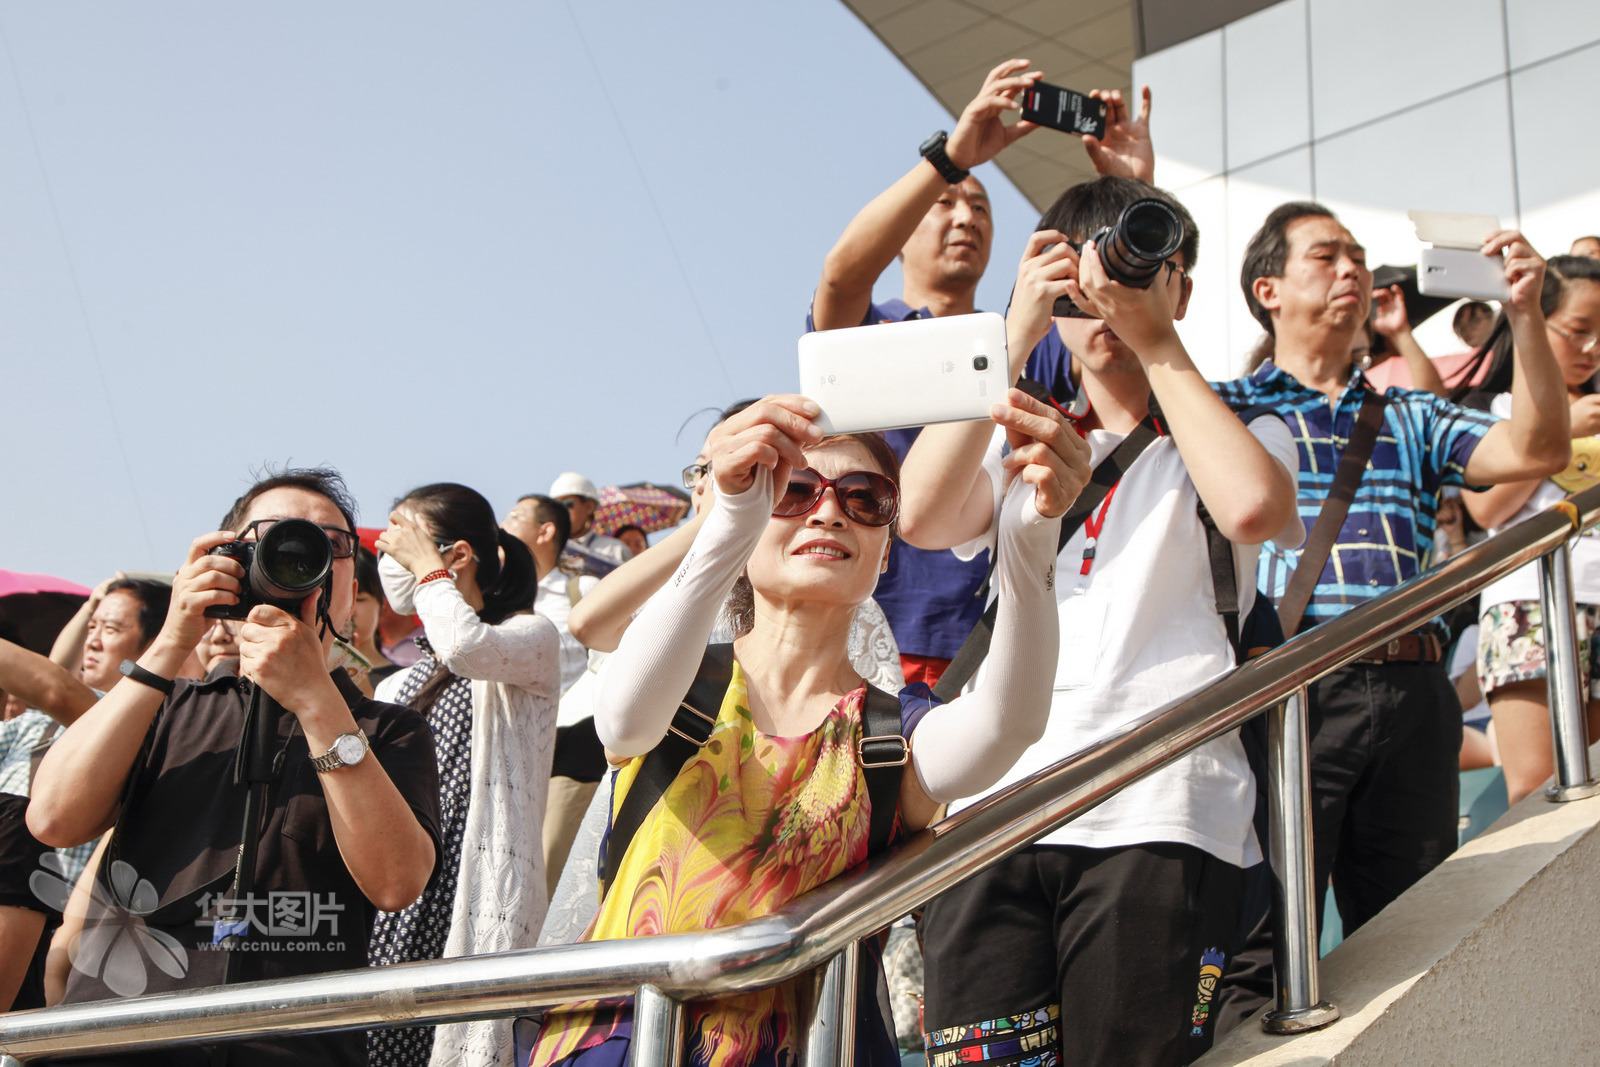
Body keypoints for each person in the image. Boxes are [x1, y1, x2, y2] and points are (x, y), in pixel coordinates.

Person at [527, 394, 1075, 1067]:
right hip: (619, 1045)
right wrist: (728, 518)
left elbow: (1007, 725)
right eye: (792, 491)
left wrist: (1028, 540)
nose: (828, 510)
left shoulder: (886, 733)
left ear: (883, 551)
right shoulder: (679, 675)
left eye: (864, 497)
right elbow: (624, 719)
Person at [900, 175, 1302, 1065]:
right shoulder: (1027, 441)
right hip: (995, 812)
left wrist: (1155, 341)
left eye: (1135, 269)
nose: (1105, 298)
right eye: (1085, 276)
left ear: (1181, 287)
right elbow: (921, 514)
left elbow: (1249, 510)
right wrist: (1014, 331)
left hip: (1161, 811)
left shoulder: (1244, 425)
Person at [1213, 203, 1569, 936]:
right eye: (1325, 255)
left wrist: (1526, 314)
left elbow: (1536, 450)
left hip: (1414, 689)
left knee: (1418, 941)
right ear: (1267, 289)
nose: (1351, 269)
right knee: (1269, 942)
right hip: (1289, 684)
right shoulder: (1225, 408)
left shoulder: (1409, 411)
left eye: (1358, 255)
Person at [28, 467, 441, 1067]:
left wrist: (317, 702)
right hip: (117, 1044)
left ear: (354, 591)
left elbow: (397, 882)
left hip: (291, 1050)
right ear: (226, 561)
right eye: (270, 539)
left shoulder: (391, 731)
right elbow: (53, 818)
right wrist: (172, 638)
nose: (299, 558)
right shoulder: (165, 706)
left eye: (331, 546)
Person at [808, 57, 1154, 686]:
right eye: (944, 205)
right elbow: (841, 275)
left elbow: (1120, 338)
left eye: (980, 207)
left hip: (988, 641)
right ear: (904, 232)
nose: (965, 217)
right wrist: (951, 158)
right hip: (866, 629)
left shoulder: (1030, 340)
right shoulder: (873, 330)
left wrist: (1135, 192)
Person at [370, 482, 560, 1067]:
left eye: (404, 541)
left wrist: (430, 571)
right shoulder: (393, 684)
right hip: (399, 894)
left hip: (472, 886)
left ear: (457, 557)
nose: (390, 557)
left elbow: (463, 646)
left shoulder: (530, 638)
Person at [1465, 255, 1600, 804]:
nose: (1592, 348)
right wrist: (1556, 431)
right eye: (1579, 331)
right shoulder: (1495, 411)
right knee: (1538, 791)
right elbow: (1487, 512)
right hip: (1530, 604)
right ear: (1532, 322)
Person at [549, 473, 632, 572]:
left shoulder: (614, 550)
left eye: (567, 503)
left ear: (589, 506)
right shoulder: (547, 551)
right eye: (556, 506)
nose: (561, 511)